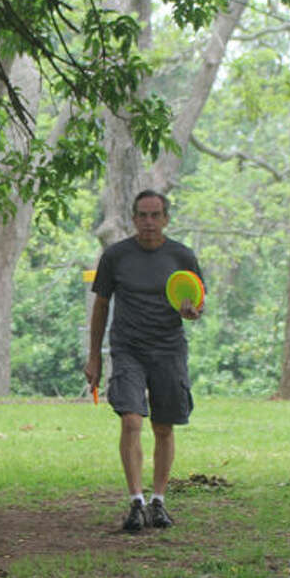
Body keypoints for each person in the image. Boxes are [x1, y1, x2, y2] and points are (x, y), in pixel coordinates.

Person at [84, 189, 204, 532]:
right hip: (128, 350)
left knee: (163, 427)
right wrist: (94, 356)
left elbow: (198, 302)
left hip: (168, 350)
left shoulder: (182, 256)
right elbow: (101, 306)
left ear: (166, 219)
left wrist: (190, 311)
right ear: (133, 219)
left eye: (155, 215)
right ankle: (136, 501)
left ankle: (159, 501)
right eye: (142, 215)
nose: (149, 222)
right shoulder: (116, 256)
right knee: (131, 421)